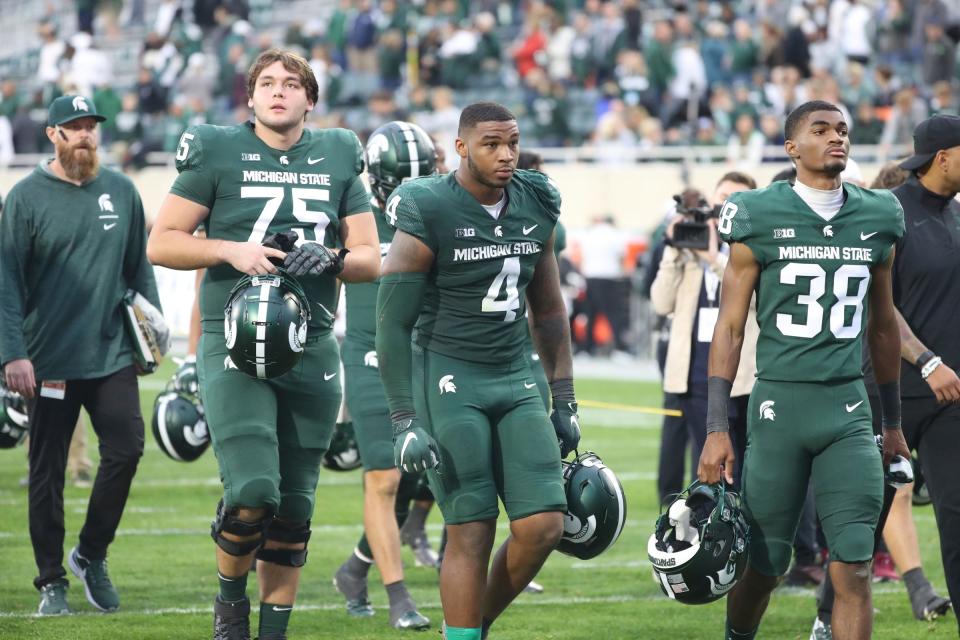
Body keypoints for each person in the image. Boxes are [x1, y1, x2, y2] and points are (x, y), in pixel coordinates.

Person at [146, 49, 380, 640]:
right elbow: (163, 242)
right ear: (250, 97)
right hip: (234, 344)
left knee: (296, 510)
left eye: (292, 83)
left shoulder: (338, 152)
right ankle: (230, 607)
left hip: (312, 344)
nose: (279, 92)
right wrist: (229, 249)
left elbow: (373, 259)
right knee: (252, 491)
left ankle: (273, 631)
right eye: (267, 83)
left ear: (310, 98)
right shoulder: (217, 148)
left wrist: (331, 257)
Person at [698, 100, 910, 640]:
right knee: (765, 563)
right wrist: (716, 427)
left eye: (843, 129)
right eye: (821, 130)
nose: (837, 137)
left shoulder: (879, 213)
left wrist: (892, 423)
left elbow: (884, 328)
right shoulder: (756, 212)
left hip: (847, 407)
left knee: (854, 565)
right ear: (792, 147)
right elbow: (729, 328)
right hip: (778, 407)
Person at [375, 102, 577, 640]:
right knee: (472, 528)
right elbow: (392, 326)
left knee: (543, 526)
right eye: (491, 143)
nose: (506, 153)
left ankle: (473, 626)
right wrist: (402, 420)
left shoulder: (536, 198)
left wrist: (566, 397)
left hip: (516, 375)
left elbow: (550, 310)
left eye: (512, 141)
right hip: (449, 376)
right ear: (461, 147)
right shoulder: (428, 206)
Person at [0, 94, 160, 615]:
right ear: (53, 135)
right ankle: (51, 581)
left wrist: (152, 336)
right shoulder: (24, 199)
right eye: (74, 128)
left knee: (127, 449)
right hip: (47, 359)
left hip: (111, 351)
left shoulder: (121, 190)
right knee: (46, 472)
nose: (86, 136)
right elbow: (6, 284)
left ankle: (90, 554)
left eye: (91, 127)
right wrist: (12, 353)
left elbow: (140, 269)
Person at [332, 120, 436, 630]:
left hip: (424, 355)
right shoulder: (352, 211)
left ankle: (354, 569)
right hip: (371, 353)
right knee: (385, 476)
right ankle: (398, 597)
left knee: (425, 471)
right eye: (401, 181)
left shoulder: (437, 205)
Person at [882, 114, 960, 635]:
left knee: (956, 517)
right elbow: (879, 304)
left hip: (951, 396)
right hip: (895, 393)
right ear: (943, 157)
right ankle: (826, 618)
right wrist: (927, 361)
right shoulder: (890, 212)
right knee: (865, 523)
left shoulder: (955, 214)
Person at [650, 172, 758, 491]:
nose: (725, 204)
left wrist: (714, 259)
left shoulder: (754, 247)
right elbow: (659, 303)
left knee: (742, 466)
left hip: (741, 376)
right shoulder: (691, 243)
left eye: (735, 198)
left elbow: (757, 301)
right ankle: (709, 533)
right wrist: (673, 249)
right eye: (722, 196)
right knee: (706, 466)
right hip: (695, 371)